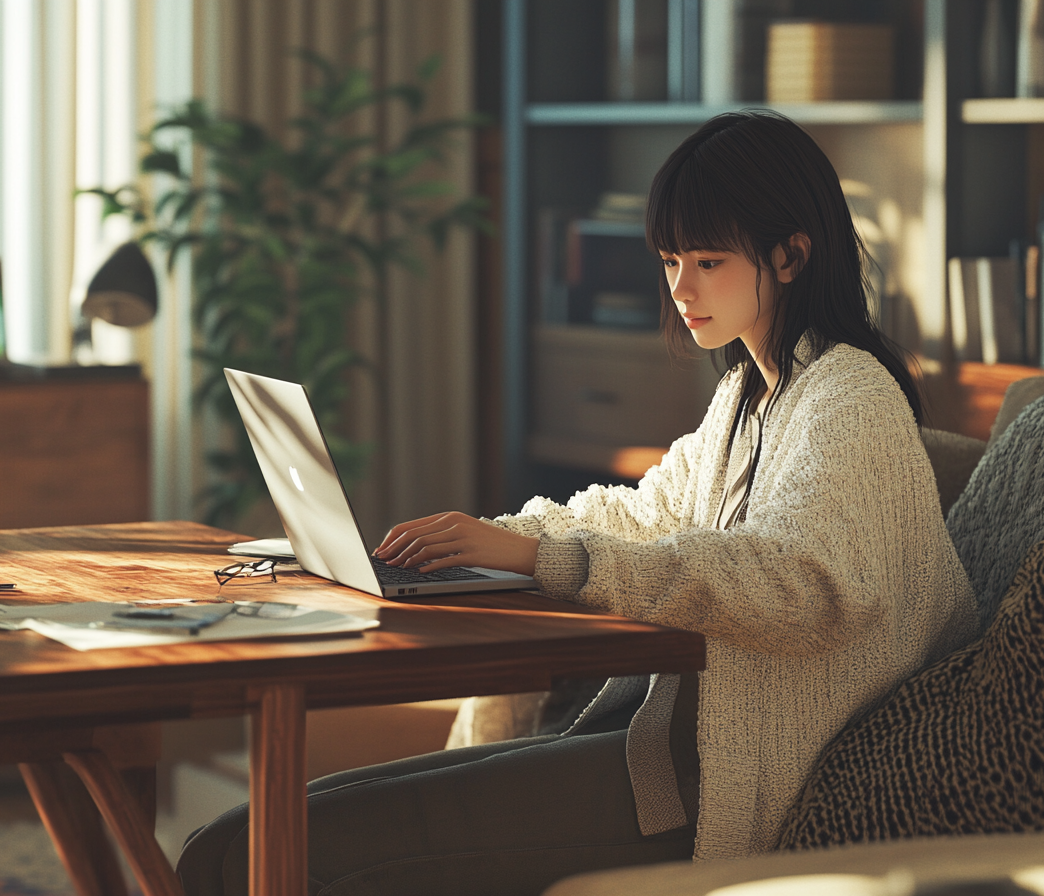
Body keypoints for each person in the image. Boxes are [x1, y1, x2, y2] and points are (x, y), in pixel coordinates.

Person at [177, 110, 977, 896]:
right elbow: (645, 513)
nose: (680, 288)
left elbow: (799, 584)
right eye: (670, 259)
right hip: (664, 748)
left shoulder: (851, 398)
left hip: (724, 787)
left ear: (791, 255)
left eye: (706, 261)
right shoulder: (748, 395)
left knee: (259, 856)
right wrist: (489, 537)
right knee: (227, 845)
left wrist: (540, 557)